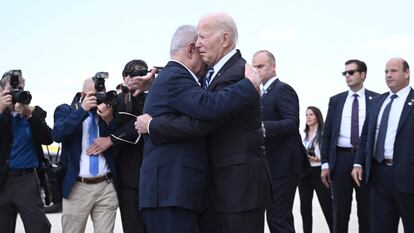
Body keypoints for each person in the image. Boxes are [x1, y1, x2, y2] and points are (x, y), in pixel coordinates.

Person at [136, 23, 265, 233]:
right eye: (199, 45)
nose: (203, 52)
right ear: (189, 49)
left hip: (175, 192)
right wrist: (249, 86)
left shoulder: (171, 76)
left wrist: (152, 125)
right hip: (171, 192)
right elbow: (209, 109)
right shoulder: (176, 76)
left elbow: (197, 121)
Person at [351, 58, 414, 233]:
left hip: (408, 177)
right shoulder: (378, 101)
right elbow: (366, 136)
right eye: (386, 72)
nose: (388, 75)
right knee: (380, 228)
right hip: (379, 176)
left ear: (406, 73)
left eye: (393, 71)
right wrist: (358, 163)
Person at [52, 77, 118, 233]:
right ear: (82, 94)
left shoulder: (106, 112)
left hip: (106, 186)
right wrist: (82, 110)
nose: (97, 98)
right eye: (93, 94)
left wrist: (109, 119)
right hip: (78, 187)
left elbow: (117, 139)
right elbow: (57, 135)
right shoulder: (66, 110)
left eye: (100, 93)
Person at [320, 59, 379, 233]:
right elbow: (327, 135)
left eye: (351, 72)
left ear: (363, 75)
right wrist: (325, 164)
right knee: (339, 212)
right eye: (345, 73)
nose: (347, 76)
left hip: (366, 161)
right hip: (340, 160)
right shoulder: (336, 101)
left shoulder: (376, 100)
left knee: (367, 212)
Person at [252, 50, 306, 233]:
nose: (256, 70)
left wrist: (262, 127)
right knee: (276, 218)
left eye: (260, 66)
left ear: (273, 67)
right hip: (269, 167)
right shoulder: (260, 94)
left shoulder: (283, 89)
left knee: (278, 219)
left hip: (283, 166)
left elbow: (292, 122)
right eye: (254, 67)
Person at [0, 70, 52, 233]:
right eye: (12, 90)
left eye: (20, 89)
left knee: (39, 228)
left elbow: (48, 138)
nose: (16, 93)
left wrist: (29, 114)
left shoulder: (33, 112)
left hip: (27, 180)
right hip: (2, 180)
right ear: (1, 91)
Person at [299, 106, 333, 233]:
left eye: (311, 114)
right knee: (305, 209)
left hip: (320, 172)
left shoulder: (323, 134)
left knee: (327, 206)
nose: (308, 117)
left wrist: (317, 159)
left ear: (317, 116)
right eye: (306, 115)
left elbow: (327, 155)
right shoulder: (304, 135)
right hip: (305, 173)